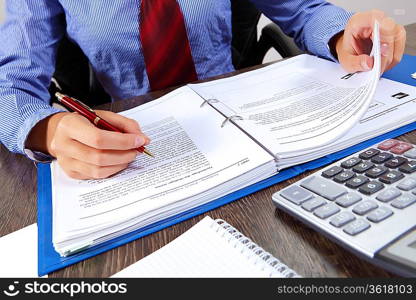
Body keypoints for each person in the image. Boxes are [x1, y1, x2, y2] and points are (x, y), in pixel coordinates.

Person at [0, 0, 406, 179]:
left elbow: (305, 11)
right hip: (138, 144)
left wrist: (343, 34)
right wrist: (48, 131)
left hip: (245, 128)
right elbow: (10, 87)